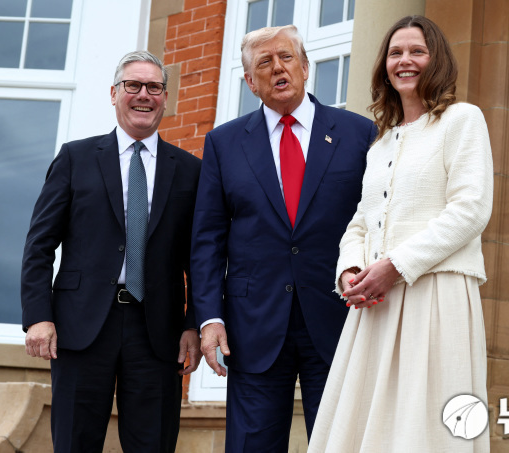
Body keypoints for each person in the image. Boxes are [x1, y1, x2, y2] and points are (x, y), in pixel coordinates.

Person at [308, 15, 493, 452]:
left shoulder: (462, 120)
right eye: (395, 53)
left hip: (436, 296)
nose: (404, 61)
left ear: (437, 60)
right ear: (384, 66)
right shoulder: (382, 143)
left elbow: (471, 209)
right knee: (363, 425)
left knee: (425, 422)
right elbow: (361, 220)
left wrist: (394, 266)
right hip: (376, 302)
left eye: (417, 51)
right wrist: (351, 270)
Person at [190, 25, 377, 452]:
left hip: (338, 316)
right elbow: (207, 239)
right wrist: (210, 318)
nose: (278, 68)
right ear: (249, 82)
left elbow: (375, 222)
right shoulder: (223, 143)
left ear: (305, 67)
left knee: (341, 444)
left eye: (286, 57)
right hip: (252, 324)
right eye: (264, 62)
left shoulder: (358, 134)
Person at [21, 50, 202, 453]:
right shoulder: (75, 157)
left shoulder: (191, 170)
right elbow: (39, 245)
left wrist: (194, 324)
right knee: (74, 442)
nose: (144, 95)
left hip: (158, 332)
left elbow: (200, 258)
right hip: (80, 326)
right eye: (133, 85)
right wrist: (38, 316)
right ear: (114, 93)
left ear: (165, 97)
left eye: (154, 87)